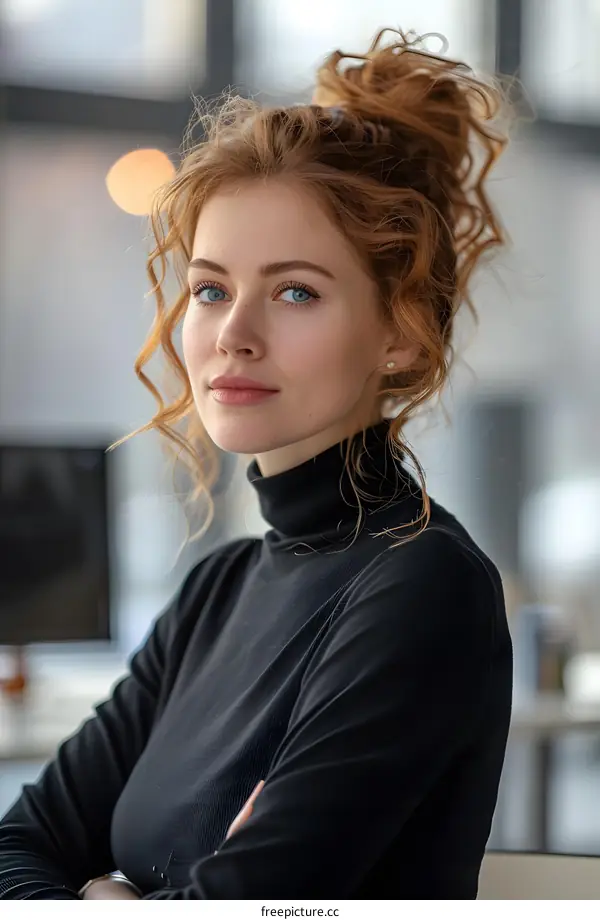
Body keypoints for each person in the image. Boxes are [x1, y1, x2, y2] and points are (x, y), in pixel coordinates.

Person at [0, 28, 513, 899]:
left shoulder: (424, 587)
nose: (233, 334)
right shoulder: (220, 587)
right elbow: (20, 842)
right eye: (211, 289)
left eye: (296, 292)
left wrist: (107, 890)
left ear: (397, 332)